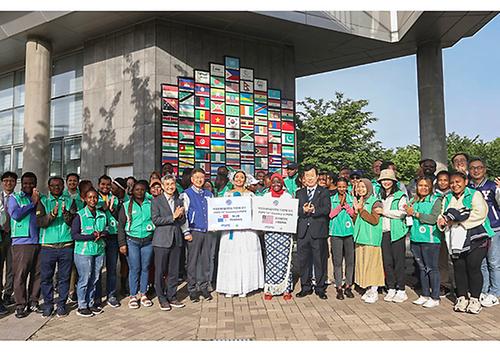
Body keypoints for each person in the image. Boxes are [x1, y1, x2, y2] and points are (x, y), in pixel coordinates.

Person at [438, 171, 494, 314]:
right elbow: (443, 213)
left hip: (475, 237)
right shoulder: (447, 197)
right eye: (452, 183)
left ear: (465, 181)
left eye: (458, 182)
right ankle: (462, 297)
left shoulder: (474, 194)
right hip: (455, 239)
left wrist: (457, 220)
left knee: (473, 267)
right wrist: (443, 221)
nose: (455, 185)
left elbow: (480, 213)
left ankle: (475, 298)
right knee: (459, 267)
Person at [216, 171, 264, 297]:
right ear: (233, 179)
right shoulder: (227, 195)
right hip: (231, 232)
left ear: (245, 180)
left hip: (247, 231)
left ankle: (246, 287)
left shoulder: (251, 195)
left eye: (242, 177)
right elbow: (220, 211)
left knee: (245, 256)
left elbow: (256, 212)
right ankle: (230, 287)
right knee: (231, 257)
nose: (239, 179)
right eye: (237, 177)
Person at [36, 176, 74, 317]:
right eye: (53, 185)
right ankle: (48, 304)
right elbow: (40, 222)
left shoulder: (70, 201)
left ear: (63, 186)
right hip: (48, 246)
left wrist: (66, 214)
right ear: (49, 187)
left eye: (59, 185)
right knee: (46, 277)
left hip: (66, 245)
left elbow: (73, 222)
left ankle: (62, 304)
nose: (56, 188)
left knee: (64, 278)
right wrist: (52, 215)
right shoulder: (43, 201)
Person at [151, 175, 190, 311]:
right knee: (160, 271)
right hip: (161, 241)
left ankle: (172, 296)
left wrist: (181, 216)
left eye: (172, 184)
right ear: (162, 186)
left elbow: (181, 221)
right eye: (167, 184)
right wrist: (172, 217)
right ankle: (162, 298)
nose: (170, 186)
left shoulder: (179, 200)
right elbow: (155, 220)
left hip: (176, 240)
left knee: (173, 272)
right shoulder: (156, 201)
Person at [405, 176, 443, 308]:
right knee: (421, 268)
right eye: (420, 185)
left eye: (426, 186)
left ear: (431, 187)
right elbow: (407, 210)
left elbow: (433, 218)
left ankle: (435, 296)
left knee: (431, 268)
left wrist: (415, 214)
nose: (423, 188)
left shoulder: (435, 200)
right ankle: (425, 294)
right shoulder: (414, 200)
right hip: (415, 238)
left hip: (430, 240)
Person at [8, 172, 42, 318]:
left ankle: (33, 301)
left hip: (39, 240)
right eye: (26, 183)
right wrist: (32, 204)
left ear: (35, 183)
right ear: (22, 183)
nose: (28, 185)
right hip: (22, 243)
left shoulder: (40, 197)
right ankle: (20, 305)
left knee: (37, 274)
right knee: (20, 275)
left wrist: (37, 201)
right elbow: (15, 214)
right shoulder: (14, 198)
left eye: (31, 183)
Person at [180, 168, 216, 302]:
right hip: (194, 231)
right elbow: (184, 214)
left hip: (207, 231)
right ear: (192, 179)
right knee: (192, 261)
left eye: (202, 177)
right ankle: (192, 289)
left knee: (205, 261)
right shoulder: (187, 194)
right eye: (196, 178)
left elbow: (214, 212)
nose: (199, 180)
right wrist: (186, 231)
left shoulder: (209, 194)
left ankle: (204, 287)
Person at [468, 157, 500, 307]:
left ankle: (495, 293)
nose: (476, 170)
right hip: (477, 229)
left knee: (493, 262)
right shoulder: (468, 187)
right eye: (473, 168)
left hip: (493, 227)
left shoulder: (493, 186)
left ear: (484, 169)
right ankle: (484, 290)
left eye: (479, 167)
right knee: (481, 263)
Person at [71, 188, 108, 317]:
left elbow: (107, 230)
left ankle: (91, 303)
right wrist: (91, 236)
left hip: (98, 250)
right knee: (85, 279)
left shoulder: (102, 214)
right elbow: (75, 235)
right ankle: (82, 305)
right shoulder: (79, 215)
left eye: (95, 197)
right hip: (83, 252)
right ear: (85, 199)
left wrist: (102, 234)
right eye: (90, 197)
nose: (93, 200)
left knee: (95, 278)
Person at [118, 181, 155, 309]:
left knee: (145, 267)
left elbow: (155, 220)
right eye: (137, 189)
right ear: (132, 191)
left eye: (142, 190)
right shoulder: (126, 205)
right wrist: (122, 243)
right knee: (135, 268)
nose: (140, 192)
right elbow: (121, 226)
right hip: (132, 241)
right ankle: (133, 295)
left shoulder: (150, 204)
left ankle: (143, 293)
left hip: (148, 241)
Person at [295, 165, 330, 300]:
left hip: (318, 231)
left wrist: (314, 210)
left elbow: (326, 209)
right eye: (307, 176)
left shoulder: (324, 192)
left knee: (319, 260)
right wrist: (303, 211)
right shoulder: (299, 193)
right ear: (303, 179)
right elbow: (295, 210)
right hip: (303, 231)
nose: (309, 178)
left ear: (317, 177)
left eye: (312, 175)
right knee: (303, 260)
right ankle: (305, 287)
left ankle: (320, 288)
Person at [378, 168, 409, 303]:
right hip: (384, 232)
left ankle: (401, 289)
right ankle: (391, 287)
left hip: (397, 233)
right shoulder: (380, 196)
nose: (386, 182)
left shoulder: (400, 195)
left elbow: (402, 212)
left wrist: (384, 212)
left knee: (399, 262)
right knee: (387, 262)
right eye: (383, 180)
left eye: (388, 179)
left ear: (393, 181)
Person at [262, 174, 294, 301]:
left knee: (285, 260)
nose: (276, 184)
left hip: (284, 233)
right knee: (271, 260)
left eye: (278, 182)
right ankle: (270, 289)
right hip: (270, 233)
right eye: (273, 182)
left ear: (282, 183)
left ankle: (286, 288)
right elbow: (262, 214)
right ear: (270, 183)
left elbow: (291, 214)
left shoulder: (288, 197)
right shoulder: (265, 196)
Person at [352, 179, 384, 304]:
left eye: (363, 187)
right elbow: (357, 220)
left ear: (369, 188)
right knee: (364, 264)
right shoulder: (361, 201)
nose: (360, 189)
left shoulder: (375, 202)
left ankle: (374, 290)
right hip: (360, 237)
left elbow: (374, 220)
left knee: (373, 265)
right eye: (358, 187)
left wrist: (361, 210)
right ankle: (368, 288)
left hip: (371, 238)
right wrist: (356, 211)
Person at [95, 175, 121, 308]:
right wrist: (103, 207)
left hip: (112, 236)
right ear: (98, 184)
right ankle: (97, 297)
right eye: (103, 184)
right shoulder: (94, 197)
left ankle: (111, 295)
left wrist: (112, 209)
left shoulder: (115, 199)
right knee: (98, 268)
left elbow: (119, 216)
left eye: (108, 185)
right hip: (99, 237)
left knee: (112, 268)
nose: (105, 187)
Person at [329, 177, 356, 300]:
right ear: (336, 187)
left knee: (350, 261)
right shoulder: (332, 199)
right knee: (337, 262)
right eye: (339, 187)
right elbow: (330, 215)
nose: (341, 189)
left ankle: (348, 285)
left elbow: (354, 215)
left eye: (344, 186)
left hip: (349, 233)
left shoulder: (351, 199)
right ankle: (339, 286)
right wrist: (340, 206)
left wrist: (348, 207)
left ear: (347, 187)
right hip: (336, 233)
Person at [0, 171, 17, 311]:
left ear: (15, 183)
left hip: (13, 236)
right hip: (0, 236)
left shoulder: (18, 198)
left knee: (11, 267)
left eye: (11, 181)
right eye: (6, 180)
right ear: (2, 182)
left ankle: (8, 293)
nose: (8, 183)